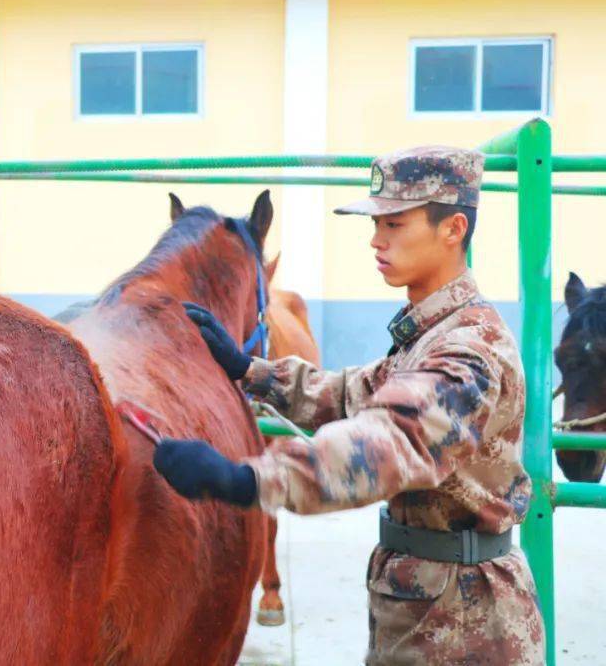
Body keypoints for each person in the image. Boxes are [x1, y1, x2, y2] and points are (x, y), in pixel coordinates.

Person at [154, 146, 545, 665]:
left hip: (465, 625)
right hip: (433, 602)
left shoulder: (468, 349)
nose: (376, 240)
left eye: (395, 224)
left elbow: (390, 439)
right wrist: (251, 370)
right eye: (376, 223)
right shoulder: (430, 333)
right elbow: (353, 394)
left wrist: (250, 479)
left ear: (453, 229)